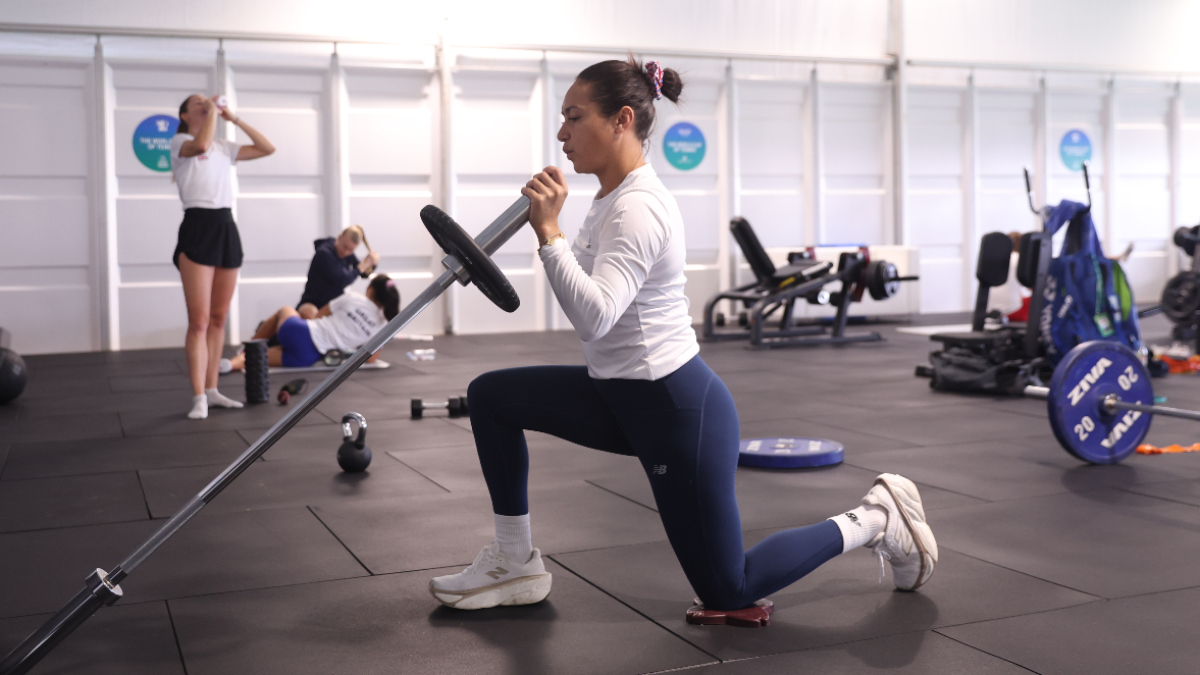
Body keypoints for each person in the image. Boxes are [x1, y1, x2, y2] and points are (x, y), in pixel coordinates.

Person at [429, 59, 938, 612]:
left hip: (674, 411)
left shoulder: (639, 208)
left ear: (622, 119)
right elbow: (588, 298)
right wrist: (554, 234)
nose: (561, 134)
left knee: (728, 589)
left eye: (574, 118)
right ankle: (514, 562)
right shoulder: (607, 200)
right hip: (616, 394)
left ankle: (875, 519)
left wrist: (549, 232)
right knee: (492, 397)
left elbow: (594, 315)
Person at [172, 94, 275, 419]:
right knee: (199, 321)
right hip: (198, 226)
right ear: (186, 114)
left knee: (218, 319)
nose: (204, 104)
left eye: (207, 101)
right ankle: (199, 396)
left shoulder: (225, 146)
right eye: (197, 103)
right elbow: (201, 147)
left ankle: (214, 389)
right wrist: (213, 111)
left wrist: (233, 118)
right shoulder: (180, 141)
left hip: (226, 226)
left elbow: (267, 148)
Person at [227, 274, 400, 370]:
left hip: (300, 332)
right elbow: (372, 359)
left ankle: (248, 347)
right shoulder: (383, 325)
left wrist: (306, 312)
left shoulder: (354, 298)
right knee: (253, 361)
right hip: (308, 356)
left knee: (285, 310)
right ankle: (229, 365)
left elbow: (317, 316)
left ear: (370, 290)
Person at [297, 225, 381, 320]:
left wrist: (372, 263)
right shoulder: (324, 253)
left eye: (351, 250)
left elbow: (363, 274)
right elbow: (342, 280)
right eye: (345, 247)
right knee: (310, 314)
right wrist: (362, 266)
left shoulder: (347, 254)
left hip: (333, 305)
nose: (346, 252)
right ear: (339, 237)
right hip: (314, 302)